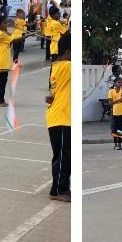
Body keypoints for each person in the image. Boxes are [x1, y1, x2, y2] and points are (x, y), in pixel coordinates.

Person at [46, 32, 71, 202]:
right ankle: (58, 190)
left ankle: (63, 187)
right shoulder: (67, 66)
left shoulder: (57, 67)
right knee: (62, 156)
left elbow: (54, 92)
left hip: (60, 115)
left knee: (65, 156)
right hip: (61, 118)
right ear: (69, 52)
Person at [108, 79, 122, 150]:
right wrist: (118, 100)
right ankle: (115, 144)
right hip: (115, 113)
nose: (120, 83)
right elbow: (110, 103)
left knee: (121, 129)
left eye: (121, 82)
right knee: (115, 129)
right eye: (119, 82)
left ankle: (119, 144)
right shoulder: (111, 91)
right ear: (115, 83)